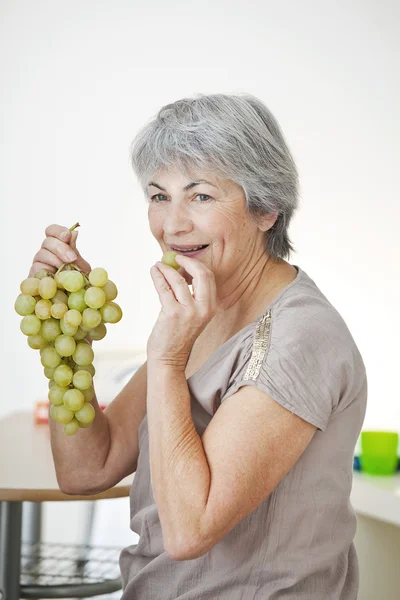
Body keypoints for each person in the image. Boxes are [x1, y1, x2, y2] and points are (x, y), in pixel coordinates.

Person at [29, 93, 367, 599]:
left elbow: (190, 531)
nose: (172, 225)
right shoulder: (203, 311)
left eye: (201, 196)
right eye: (159, 195)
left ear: (266, 209)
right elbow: (86, 468)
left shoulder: (301, 336)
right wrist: (68, 339)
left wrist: (166, 358)